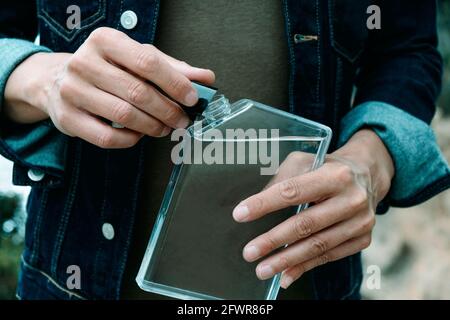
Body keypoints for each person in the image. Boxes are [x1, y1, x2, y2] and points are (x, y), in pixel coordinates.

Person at [0, 0, 449, 300]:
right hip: (69, 283)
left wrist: (370, 162)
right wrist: (45, 79)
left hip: (311, 285)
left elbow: (407, 50)